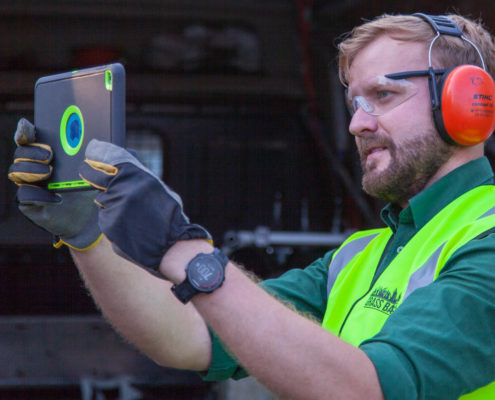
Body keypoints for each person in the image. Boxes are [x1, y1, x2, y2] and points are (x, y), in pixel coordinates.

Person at [8, 12, 495, 400]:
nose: (356, 126)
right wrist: (90, 237)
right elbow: (190, 336)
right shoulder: (358, 257)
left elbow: (366, 389)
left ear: (467, 103)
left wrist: (184, 251)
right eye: (354, 103)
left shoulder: (487, 243)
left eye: (383, 95)